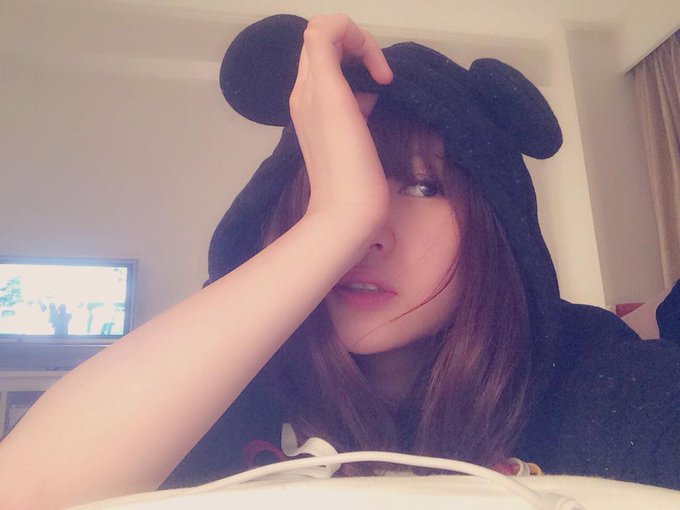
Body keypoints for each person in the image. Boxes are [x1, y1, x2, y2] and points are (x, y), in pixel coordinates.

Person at [0, 14, 679, 510]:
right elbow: (26, 492)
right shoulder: (232, 389)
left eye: (423, 187)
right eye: (346, 186)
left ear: (496, 225)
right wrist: (335, 219)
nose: (367, 236)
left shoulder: (591, 374)